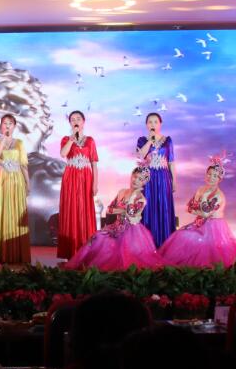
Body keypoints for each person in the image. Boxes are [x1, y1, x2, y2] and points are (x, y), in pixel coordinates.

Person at [159, 152, 236, 267]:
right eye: (209, 174)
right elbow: (189, 207)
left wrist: (201, 203)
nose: (211, 177)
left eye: (214, 176)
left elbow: (205, 213)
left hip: (214, 228)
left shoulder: (218, 195)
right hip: (199, 224)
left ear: (219, 179)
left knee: (196, 241)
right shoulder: (201, 189)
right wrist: (198, 210)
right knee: (180, 235)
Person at [66, 163, 165, 270]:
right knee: (96, 237)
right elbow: (109, 209)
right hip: (116, 226)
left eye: (140, 179)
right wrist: (123, 210)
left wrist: (131, 199)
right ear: (131, 176)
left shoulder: (141, 199)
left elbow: (130, 213)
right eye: (135, 177)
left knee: (123, 255)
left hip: (131, 231)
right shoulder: (122, 192)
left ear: (144, 182)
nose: (136, 180)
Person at [57, 110, 99, 260]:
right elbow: (63, 154)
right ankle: (70, 250)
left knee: (85, 209)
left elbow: (94, 164)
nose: (76, 121)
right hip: (70, 177)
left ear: (83, 122)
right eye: (73, 119)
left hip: (86, 178)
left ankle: (86, 249)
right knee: (71, 208)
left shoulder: (90, 141)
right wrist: (71, 139)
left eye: (78, 119)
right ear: (70, 123)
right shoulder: (65, 139)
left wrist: (95, 183)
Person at [0, 113, 31, 264]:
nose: (7, 126)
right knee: (3, 211)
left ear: (14, 126)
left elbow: (23, 165)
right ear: (1, 126)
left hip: (17, 180)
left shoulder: (20, 143)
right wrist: (3, 140)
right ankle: (2, 252)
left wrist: (28, 183)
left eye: (10, 123)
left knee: (17, 213)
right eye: (5, 123)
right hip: (2, 181)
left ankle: (18, 253)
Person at [135, 113, 176, 247]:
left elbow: (171, 162)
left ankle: (164, 244)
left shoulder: (168, 141)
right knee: (148, 208)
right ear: (146, 125)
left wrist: (174, 181)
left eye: (155, 122)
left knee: (163, 207)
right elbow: (141, 155)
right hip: (148, 179)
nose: (153, 124)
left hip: (163, 178)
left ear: (160, 124)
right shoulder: (142, 140)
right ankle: (147, 245)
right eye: (150, 122)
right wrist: (150, 141)